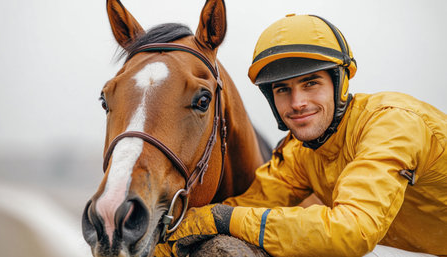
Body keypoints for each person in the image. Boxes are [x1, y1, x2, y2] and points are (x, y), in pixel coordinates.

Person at [155, 14, 447, 257]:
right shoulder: (300, 152)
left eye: (310, 83)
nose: (297, 103)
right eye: (283, 89)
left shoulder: (394, 124)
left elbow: (352, 231)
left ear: (340, 83)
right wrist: (159, 249)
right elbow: (247, 206)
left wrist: (221, 220)